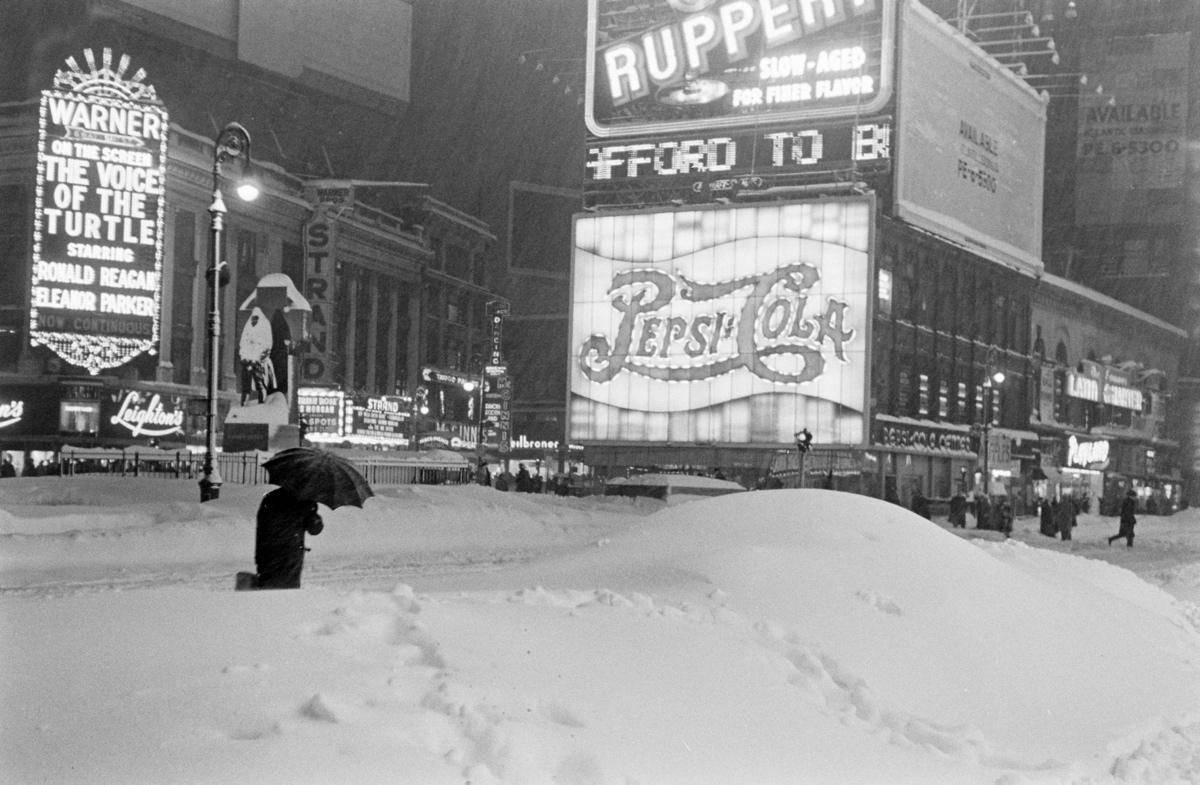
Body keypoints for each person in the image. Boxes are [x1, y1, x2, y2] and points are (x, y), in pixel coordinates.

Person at [254, 487, 323, 589]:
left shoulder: (270, 498)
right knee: (287, 591)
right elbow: (314, 529)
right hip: (290, 555)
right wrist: (315, 516)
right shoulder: (305, 501)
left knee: (268, 589)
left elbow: (261, 528)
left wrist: (258, 557)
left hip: (267, 554)